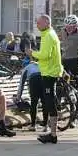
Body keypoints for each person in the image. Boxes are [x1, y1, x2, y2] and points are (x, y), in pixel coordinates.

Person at [26, 14, 63, 144]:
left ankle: (53, 134)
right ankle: (52, 133)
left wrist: (32, 54)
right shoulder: (49, 34)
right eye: (37, 23)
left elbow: (45, 55)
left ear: (47, 23)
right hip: (50, 71)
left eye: (39, 23)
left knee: (50, 102)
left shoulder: (48, 36)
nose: (37, 25)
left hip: (49, 73)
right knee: (49, 101)